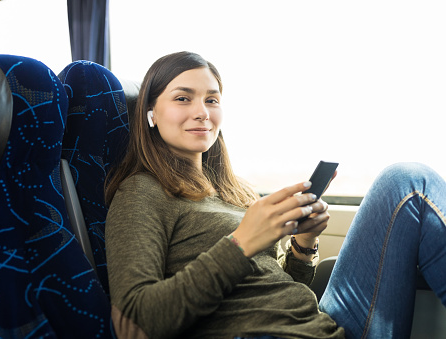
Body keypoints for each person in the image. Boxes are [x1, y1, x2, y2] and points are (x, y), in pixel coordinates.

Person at [104, 51, 446, 339]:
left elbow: (274, 286)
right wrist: (240, 243)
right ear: (150, 112)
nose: (202, 112)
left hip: (317, 326)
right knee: (410, 185)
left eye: (212, 99)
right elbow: (137, 319)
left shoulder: (234, 191)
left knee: (405, 181)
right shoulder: (142, 192)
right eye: (183, 98)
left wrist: (305, 242)